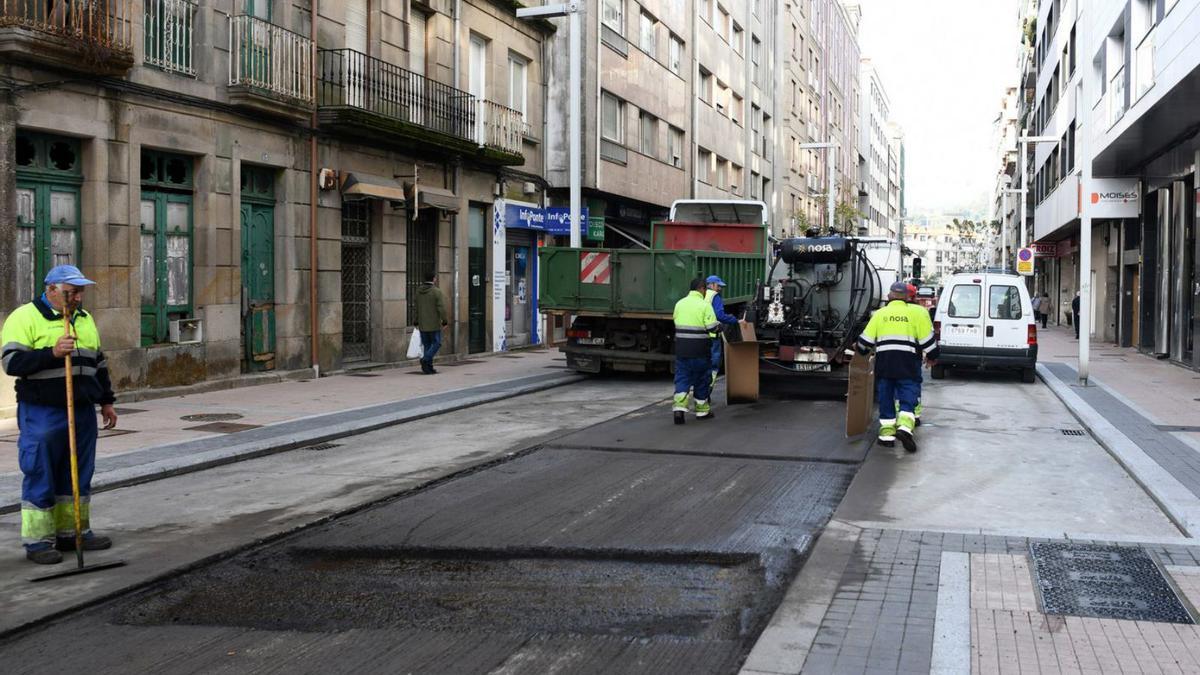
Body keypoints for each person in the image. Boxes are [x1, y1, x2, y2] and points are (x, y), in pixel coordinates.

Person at [1, 265, 118, 565]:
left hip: (81, 409)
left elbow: (98, 363)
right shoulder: (24, 316)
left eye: (80, 292)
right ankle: (39, 541)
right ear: (51, 288)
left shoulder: (84, 318)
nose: (77, 297)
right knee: (41, 470)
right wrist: (51, 353)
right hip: (43, 411)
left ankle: (74, 532)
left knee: (78, 472)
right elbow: (11, 363)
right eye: (71, 292)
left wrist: (106, 401)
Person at [857, 282, 938, 453]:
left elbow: (864, 344)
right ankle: (904, 428)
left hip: (885, 364)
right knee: (908, 395)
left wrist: (861, 350)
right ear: (908, 298)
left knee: (886, 396)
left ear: (889, 296)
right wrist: (933, 357)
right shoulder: (916, 313)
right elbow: (929, 343)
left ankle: (886, 436)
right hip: (908, 363)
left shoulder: (880, 314)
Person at [673, 277, 720, 425]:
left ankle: (679, 409)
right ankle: (702, 411)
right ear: (701, 289)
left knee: (682, 378)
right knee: (701, 380)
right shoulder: (705, 306)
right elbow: (712, 328)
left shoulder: (679, 304)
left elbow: (676, 321)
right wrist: (720, 329)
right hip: (700, 351)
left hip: (682, 350)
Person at [704, 275, 740, 386]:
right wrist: (734, 320)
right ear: (711, 285)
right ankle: (708, 387)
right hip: (712, 335)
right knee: (714, 363)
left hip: (700, 335)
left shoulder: (701, 295)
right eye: (718, 286)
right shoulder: (715, 296)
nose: (720, 289)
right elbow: (719, 315)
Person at [415, 272, 448, 374]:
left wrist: (416, 320)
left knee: (427, 345)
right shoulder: (436, 292)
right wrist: (444, 321)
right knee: (437, 343)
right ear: (434, 279)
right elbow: (441, 308)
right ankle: (426, 359)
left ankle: (428, 368)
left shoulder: (418, 291)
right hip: (433, 323)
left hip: (422, 323)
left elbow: (416, 307)